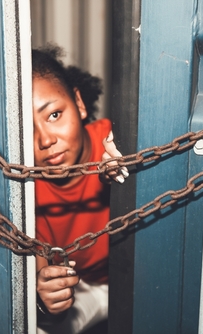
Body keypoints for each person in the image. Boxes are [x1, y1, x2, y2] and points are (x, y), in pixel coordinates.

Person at [32, 45, 128, 334]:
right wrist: (46, 299)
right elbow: (42, 279)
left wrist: (127, 173)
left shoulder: (119, 140)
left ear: (79, 103)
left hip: (137, 282)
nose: (45, 140)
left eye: (53, 115)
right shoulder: (25, 193)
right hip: (83, 286)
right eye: (27, 130)